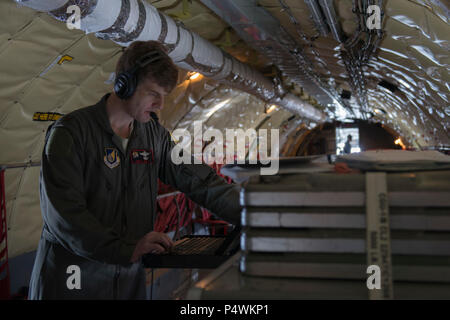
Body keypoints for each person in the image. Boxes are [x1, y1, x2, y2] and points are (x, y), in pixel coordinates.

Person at [29, 41, 241, 299]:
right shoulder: (71, 134)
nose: (160, 105)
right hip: (74, 283)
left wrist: (254, 215)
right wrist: (125, 249)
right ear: (124, 85)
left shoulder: (154, 136)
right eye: (153, 93)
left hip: (127, 281)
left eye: (165, 95)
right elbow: (64, 217)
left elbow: (201, 181)